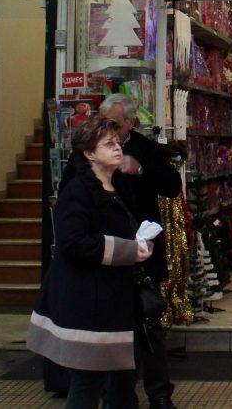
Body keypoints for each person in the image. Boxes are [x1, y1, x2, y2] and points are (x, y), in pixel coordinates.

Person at [28, 115, 153, 409]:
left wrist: (141, 243)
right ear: (88, 153)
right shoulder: (77, 192)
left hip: (116, 300)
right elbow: (73, 244)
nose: (117, 148)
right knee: (89, 382)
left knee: (123, 381)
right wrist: (127, 251)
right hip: (89, 303)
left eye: (118, 143)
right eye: (108, 144)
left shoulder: (120, 188)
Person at [100, 93, 183, 409]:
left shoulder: (147, 149)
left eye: (115, 125)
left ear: (131, 123)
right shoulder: (93, 149)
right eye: (104, 123)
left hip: (144, 252)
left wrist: (141, 170)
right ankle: (118, 395)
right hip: (108, 251)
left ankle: (160, 393)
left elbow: (172, 186)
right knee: (112, 328)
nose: (109, 130)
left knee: (151, 326)